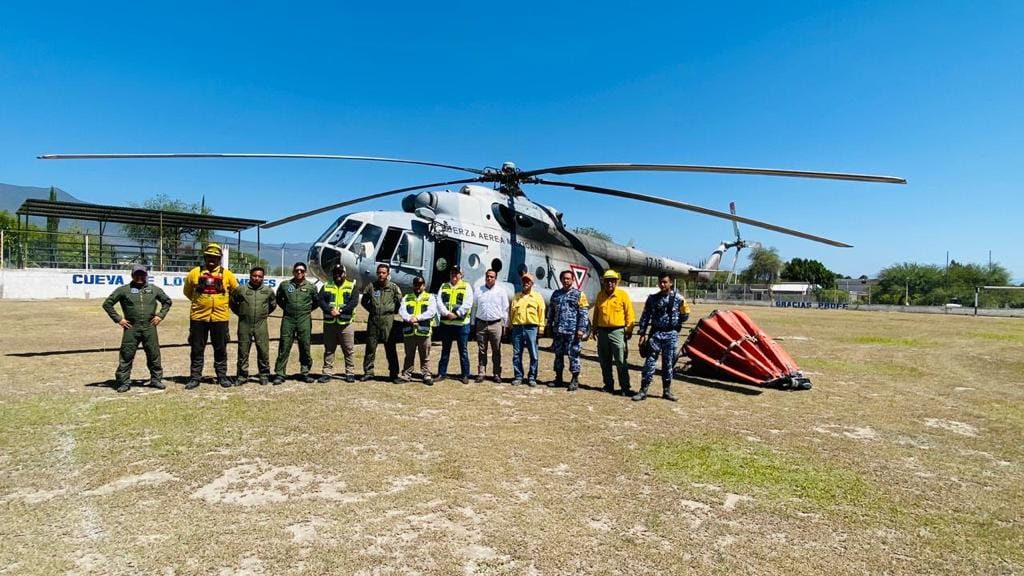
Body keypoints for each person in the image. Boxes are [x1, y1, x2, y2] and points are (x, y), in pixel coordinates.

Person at [101, 265, 172, 393]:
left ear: (146, 275)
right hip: (131, 328)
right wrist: (119, 319)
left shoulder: (154, 289)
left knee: (153, 353)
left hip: (149, 327)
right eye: (137, 274)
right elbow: (107, 304)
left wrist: (160, 316)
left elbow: (167, 301)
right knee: (126, 354)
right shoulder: (124, 290)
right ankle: (124, 381)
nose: (140, 277)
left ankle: (156, 379)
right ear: (132, 275)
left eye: (142, 274)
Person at [182, 243, 239, 389]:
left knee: (220, 348)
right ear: (205, 257)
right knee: (197, 349)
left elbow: (236, 292)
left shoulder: (228, 275)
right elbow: (187, 292)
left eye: (214, 257)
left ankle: (222, 376)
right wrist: (201, 303)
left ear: (220, 258)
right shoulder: (194, 273)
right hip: (198, 318)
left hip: (220, 318)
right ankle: (195, 378)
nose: (211, 259)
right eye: (209, 257)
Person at [634, 273, 691, 402]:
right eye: (660, 282)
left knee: (668, 363)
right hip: (655, 334)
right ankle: (643, 390)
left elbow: (685, 317)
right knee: (649, 362)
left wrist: (679, 317)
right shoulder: (652, 299)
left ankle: (666, 391)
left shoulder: (679, 299)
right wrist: (642, 334)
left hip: (671, 335)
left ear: (671, 283)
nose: (662, 285)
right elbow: (645, 317)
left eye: (665, 282)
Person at [230, 266, 277, 386]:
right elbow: (233, 303)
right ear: (250, 276)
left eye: (260, 276)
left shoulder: (268, 291)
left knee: (263, 350)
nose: (257, 278)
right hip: (244, 324)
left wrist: (263, 314)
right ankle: (242, 376)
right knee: (243, 351)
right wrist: (242, 314)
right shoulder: (241, 290)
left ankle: (264, 374)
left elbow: (272, 305)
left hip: (261, 324)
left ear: (263, 278)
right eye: (254, 276)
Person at [591, 269, 636, 395]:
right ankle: (608, 385)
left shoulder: (622, 295)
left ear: (616, 282)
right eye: (607, 281)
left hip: (618, 331)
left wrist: (629, 329)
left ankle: (625, 387)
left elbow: (629, 313)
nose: (609, 283)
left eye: (612, 281)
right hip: (603, 332)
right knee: (604, 361)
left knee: (621, 361)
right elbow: (596, 313)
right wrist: (594, 328)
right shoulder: (600, 295)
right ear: (604, 282)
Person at [273, 262, 318, 384]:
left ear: (305, 273)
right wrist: (288, 309)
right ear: (293, 272)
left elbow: (316, 302)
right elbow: (279, 299)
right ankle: (280, 373)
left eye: (302, 271)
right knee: (284, 345)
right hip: (288, 318)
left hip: (304, 319)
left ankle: (305, 372)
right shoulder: (285, 285)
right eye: (297, 270)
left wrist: (306, 310)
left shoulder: (311, 287)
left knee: (305, 345)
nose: (299, 272)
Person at [547, 270, 590, 392]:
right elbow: (551, 312)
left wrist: (581, 329)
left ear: (572, 280)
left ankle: (574, 379)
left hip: (572, 332)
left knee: (573, 355)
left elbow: (583, 314)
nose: (566, 281)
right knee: (558, 355)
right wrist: (549, 325)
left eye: (568, 279)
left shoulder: (579, 294)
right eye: (564, 278)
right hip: (558, 331)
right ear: (561, 280)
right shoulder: (556, 294)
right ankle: (558, 378)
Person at [360, 263, 403, 382]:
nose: (381, 275)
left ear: (388, 274)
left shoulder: (393, 288)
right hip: (373, 320)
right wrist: (372, 310)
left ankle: (394, 374)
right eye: (379, 272)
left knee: (390, 348)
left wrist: (391, 312)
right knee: (370, 347)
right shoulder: (371, 287)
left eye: (383, 273)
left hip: (388, 321)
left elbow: (400, 303)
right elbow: (364, 301)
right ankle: (368, 372)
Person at [317, 264, 358, 383]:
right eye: (335, 273)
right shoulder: (326, 286)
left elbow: (353, 302)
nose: (338, 275)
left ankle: (350, 373)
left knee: (348, 349)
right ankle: (327, 373)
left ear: (345, 274)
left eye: (340, 273)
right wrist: (330, 311)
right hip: (330, 322)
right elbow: (321, 300)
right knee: (329, 349)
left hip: (346, 323)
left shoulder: (351, 286)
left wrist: (340, 311)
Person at [435, 265, 474, 383]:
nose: (454, 275)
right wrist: (447, 313)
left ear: (461, 275)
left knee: (463, 351)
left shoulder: (466, 286)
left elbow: (468, 303)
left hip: (461, 324)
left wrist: (457, 314)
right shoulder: (444, 286)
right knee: (445, 350)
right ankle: (442, 373)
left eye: (456, 273)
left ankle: (465, 375)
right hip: (446, 323)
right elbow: (439, 302)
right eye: (452, 273)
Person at [398, 276, 438, 384]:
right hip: (410, 331)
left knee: (425, 356)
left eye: (420, 285)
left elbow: (431, 312)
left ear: (424, 285)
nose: (418, 287)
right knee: (409, 355)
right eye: (416, 284)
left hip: (423, 331)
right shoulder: (407, 297)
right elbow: (402, 311)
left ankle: (426, 375)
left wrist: (417, 318)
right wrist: (410, 319)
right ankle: (406, 375)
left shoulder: (430, 297)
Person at [509, 273, 545, 387]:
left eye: (528, 281)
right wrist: (510, 326)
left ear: (532, 284)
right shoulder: (516, 297)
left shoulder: (537, 297)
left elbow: (542, 312)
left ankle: (532, 377)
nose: (525, 283)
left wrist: (541, 327)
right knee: (516, 354)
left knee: (533, 354)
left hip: (531, 328)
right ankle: (518, 376)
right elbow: (512, 313)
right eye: (524, 281)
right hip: (517, 328)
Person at [473, 269, 509, 383]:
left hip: (496, 324)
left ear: (495, 278)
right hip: (481, 324)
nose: (489, 278)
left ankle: (497, 373)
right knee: (482, 350)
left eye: (492, 277)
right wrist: (473, 323)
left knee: (496, 350)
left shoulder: (501, 291)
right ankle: (481, 372)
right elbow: (474, 307)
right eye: (488, 276)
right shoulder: (478, 290)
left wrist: (505, 325)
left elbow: (505, 309)